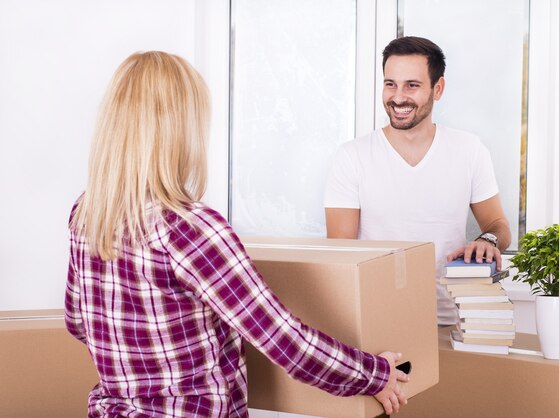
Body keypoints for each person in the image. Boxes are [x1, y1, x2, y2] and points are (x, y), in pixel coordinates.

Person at [65, 51, 408, 417]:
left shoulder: (86, 214)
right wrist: (375, 374)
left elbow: (78, 322)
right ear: (179, 129)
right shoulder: (190, 229)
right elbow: (284, 341)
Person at [324, 36, 511, 326]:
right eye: (390, 84)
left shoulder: (469, 150)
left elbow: (498, 225)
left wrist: (488, 240)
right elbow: (341, 256)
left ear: (438, 89)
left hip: (452, 320)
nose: (398, 97)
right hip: (376, 321)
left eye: (412, 85)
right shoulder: (352, 157)